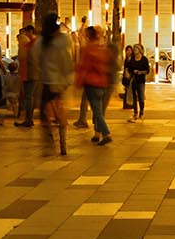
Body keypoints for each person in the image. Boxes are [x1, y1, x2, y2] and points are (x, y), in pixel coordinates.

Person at [33, 12, 73, 155]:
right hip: (59, 82)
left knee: (45, 113)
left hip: (46, 81)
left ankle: (49, 139)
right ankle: (63, 144)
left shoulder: (41, 41)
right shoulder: (62, 40)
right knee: (59, 112)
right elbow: (67, 61)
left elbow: (36, 60)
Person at [77, 25, 115, 142]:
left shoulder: (88, 49)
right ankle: (97, 134)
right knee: (98, 110)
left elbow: (84, 67)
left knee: (97, 111)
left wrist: (78, 82)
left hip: (91, 83)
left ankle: (106, 133)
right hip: (102, 83)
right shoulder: (103, 49)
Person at [15, 23, 37, 127]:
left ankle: (29, 119)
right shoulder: (32, 43)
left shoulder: (31, 43)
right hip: (30, 73)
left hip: (29, 73)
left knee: (28, 97)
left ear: (30, 32)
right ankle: (28, 118)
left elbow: (23, 57)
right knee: (28, 97)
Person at [127, 42, 150, 120]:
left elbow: (147, 70)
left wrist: (140, 72)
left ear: (139, 50)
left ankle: (141, 111)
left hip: (141, 80)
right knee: (134, 97)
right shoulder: (132, 59)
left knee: (141, 96)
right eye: (134, 49)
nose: (134, 50)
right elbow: (128, 68)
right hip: (134, 80)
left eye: (136, 49)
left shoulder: (144, 59)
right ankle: (135, 112)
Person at [120, 45, 135, 109]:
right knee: (126, 91)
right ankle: (126, 105)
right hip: (126, 77)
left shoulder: (133, 59)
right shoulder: (126, 59)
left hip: (132, 77)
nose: (128, 52)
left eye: (130, 50)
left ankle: (131, 105)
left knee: (131, 91)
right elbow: (125, 68)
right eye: (127, 50)